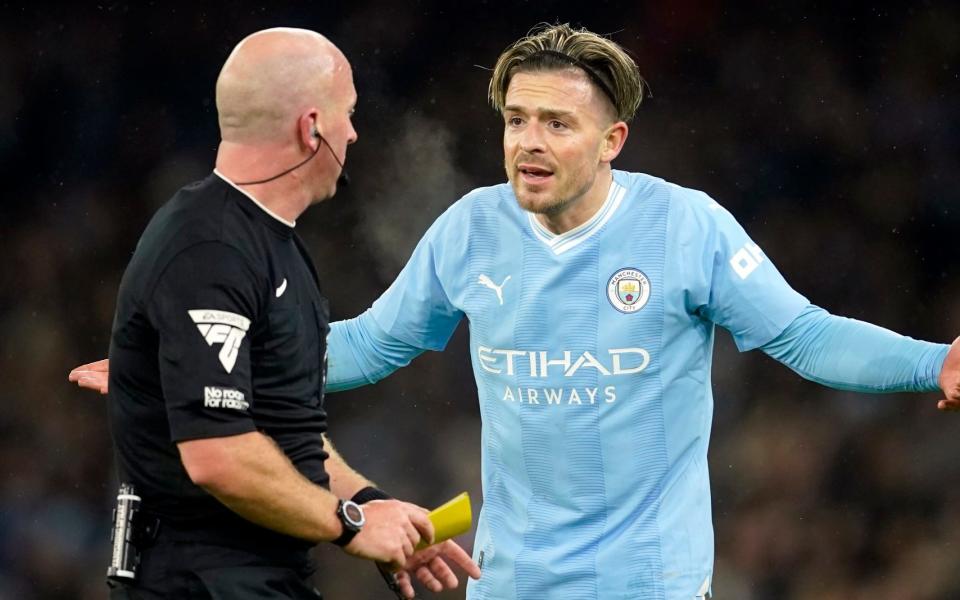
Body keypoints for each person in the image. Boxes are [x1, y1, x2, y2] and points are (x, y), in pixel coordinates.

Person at [72, 24, 960, 600]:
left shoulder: (683, 227)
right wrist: (187, 365)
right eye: (516, 119)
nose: (529, 142)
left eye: (557, 125)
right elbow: (369, 347)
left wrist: (934, 362)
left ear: (612, 141)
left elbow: (804, 335)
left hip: (645, 584)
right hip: (508, 583)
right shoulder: (471, 229)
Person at [80, 27, 479, 600]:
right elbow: (220, 457)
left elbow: (286, 430)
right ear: (311, 127)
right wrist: (353, 526)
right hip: (198, 583)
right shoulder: (209, 248)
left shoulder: (276, 246)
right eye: (348, 114)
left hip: (259, 579)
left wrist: (372, 507)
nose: (354, 132)